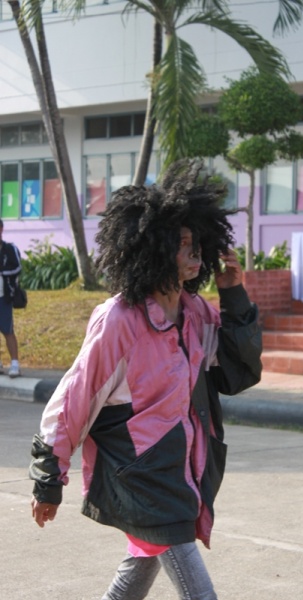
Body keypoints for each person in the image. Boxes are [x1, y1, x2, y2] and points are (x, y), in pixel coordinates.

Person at [29, 161, 263, 600]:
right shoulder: (119, 321)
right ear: (154, 250)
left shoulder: (195, 312)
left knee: (132, 581)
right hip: (143, 477)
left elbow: (237, 370)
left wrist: (233, 293)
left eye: (196, 241)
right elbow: (74, 399)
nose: (194, 252)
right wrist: (48, 478)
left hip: (183, 471)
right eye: (182, 244)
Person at [0, 218, 22, 378]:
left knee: (8, 330)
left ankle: (15, 364)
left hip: (4, 296)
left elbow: (17, 268)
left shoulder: (9, 249)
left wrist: (2, 272)